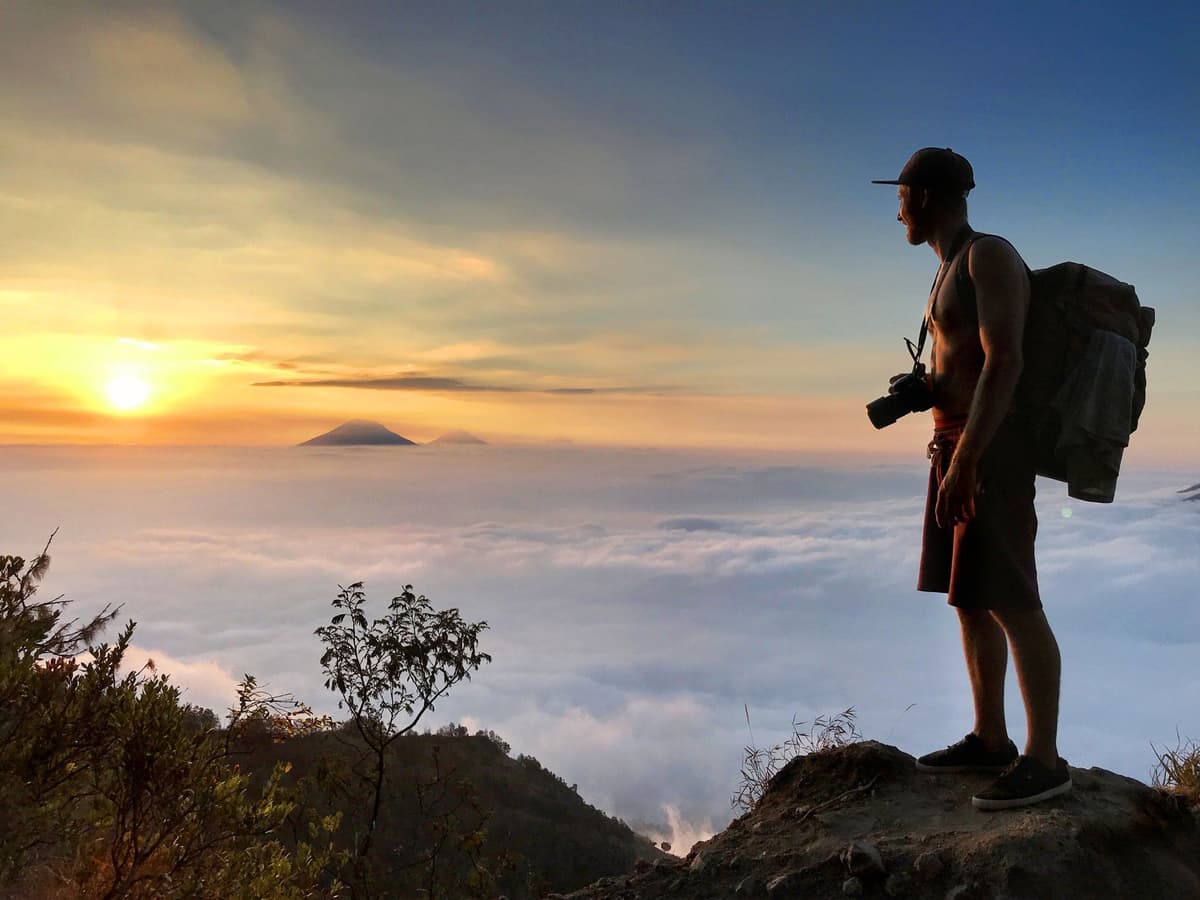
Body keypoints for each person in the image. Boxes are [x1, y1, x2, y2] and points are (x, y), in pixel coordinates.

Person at [872, 148, 1072, 810]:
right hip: (954, 443)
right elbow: (965, 366)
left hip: (991, 450)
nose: (896, 207)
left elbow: (1005, 362)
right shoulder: (945, 271)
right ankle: (991, 738)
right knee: (970, 596)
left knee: (1013, 597)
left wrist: (967, 460)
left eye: (900, 194)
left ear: (923, 196)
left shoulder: (989, 257)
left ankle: (1045, 760)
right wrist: (923, 392)